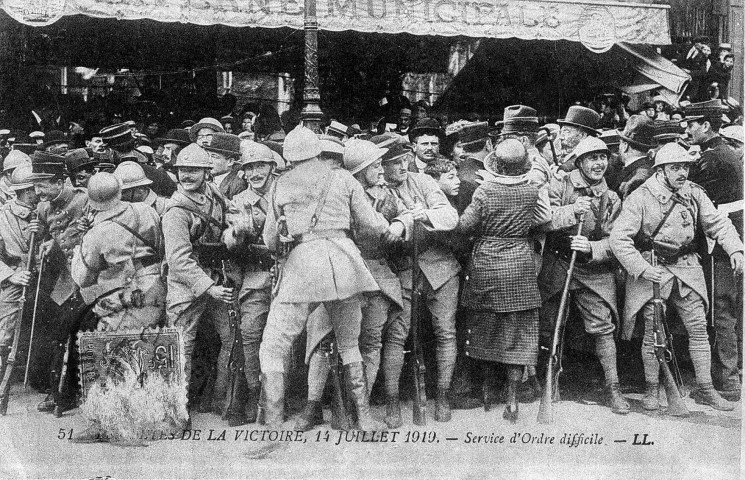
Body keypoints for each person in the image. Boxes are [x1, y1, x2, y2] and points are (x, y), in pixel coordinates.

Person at [259, 126, 405, 431]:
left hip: (302, 266)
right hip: (344, 263)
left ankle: (272, 426)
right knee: (350, 344)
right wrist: (394, 225)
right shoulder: (343, 178)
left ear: (288, 155)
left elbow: (271, 240)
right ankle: (364, 421)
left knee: (273, 347)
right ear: (319, 150)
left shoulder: (281, 184)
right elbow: (371, 224)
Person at [610, 142, 744, 412]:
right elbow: (619, 239)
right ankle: (651, 391)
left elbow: (717, 222)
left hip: (686, 267)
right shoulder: (641, 196)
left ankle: (706, 389)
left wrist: (736, 248)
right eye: (675, 168)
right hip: (652, 268)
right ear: (661, 170)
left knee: (698, 330)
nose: (682, 173)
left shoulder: (693, 193)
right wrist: (643, 268)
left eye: (685, 167)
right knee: (652, 334)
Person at [456, 139, 551, 422]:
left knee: (486, 329)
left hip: (488, 263)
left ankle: (487, 392)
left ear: (495, 164)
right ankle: (512, 400)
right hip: (520, 265)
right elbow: (544, 219)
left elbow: (464, 225)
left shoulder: (485, 191)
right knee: (518, 335)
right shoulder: (531, 190)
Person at [539, 136, 629, 415]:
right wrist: (570, 211)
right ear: (579, 162)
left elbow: (618, 241)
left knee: (602, 327)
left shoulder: (611, 197)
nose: (599, 163)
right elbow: (540, 218)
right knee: (551, 324)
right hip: (559, 264)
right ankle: (548, 381)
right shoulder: (559, 184)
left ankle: (613, 387)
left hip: (592, 269)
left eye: (603, 157)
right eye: (592, 158)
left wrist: (592, 247)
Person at [381, 138, 460, 426]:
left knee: (445, 332)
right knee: (396, 334)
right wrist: (402, 223)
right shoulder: (376, 190)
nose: (402, 167)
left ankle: (443, 395)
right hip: (401, 269)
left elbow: (450, 216)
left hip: (439, 267)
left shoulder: (423, 181)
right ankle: (392, 401)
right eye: (394, 162)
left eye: (404, 160)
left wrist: (424, 214)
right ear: (381, 165)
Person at [162, 144, 235, 425]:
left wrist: (234, 228)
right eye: (182, 170)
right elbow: (179, 260)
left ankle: (223, 399)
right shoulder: (176, 210)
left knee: (232, 338)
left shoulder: (213, 193)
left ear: (206, 172)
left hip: (216, 274)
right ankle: (175, 412)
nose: (187, 175)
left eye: (194, 170)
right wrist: (209, 288)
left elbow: (230, 213)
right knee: (180, 347)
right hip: (187, 284)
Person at [684, 100, 744, 399]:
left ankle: (728, 380)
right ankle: (732, 374)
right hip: (731, 237)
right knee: (731, 307)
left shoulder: (710, 159)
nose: (688, 129)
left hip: (718, 242)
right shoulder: (727, 153)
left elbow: (690, 193)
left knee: (720, 310)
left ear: (705, 126)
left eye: (691, 124)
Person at [28, 151, 93, 415]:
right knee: (57, 335)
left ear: (60, 181)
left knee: (80, 336)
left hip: (89, 279)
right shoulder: (43, 208)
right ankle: (56, 391)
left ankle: (72, 392)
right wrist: (43, 239)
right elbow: (46, 241)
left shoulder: (83, 200)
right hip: (64, 282)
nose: (37, 191)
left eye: (42, 185)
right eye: (35, 185)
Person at [221, 141, 279, 425]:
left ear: (272, 167)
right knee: (250, 334)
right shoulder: (240, 201)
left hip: (290, 274)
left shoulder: (286, 191)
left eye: (261, 166)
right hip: (256, 277)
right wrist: (237, 234)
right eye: (250, 168)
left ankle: (285, 397)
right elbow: (230, 235)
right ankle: (257, 395)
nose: (255, 172)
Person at [0, 164, 39, 390]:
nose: (40, 193)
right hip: (14, 279)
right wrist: (10, 275)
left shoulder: (43, 210)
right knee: (5, 332)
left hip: (42, 277)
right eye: (37, 188)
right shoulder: (3, 216)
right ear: (25, 191)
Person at [615, 115, 658, 199]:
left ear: (625, 146)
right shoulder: (649, 169)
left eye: (620, 143)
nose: (618, 148)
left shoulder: (637, 180)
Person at [204, 133, 247, 200]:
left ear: (230, 162)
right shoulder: (207, 179)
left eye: (214, 157)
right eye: (208, 155)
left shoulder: (237, 185)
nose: (209, 161)